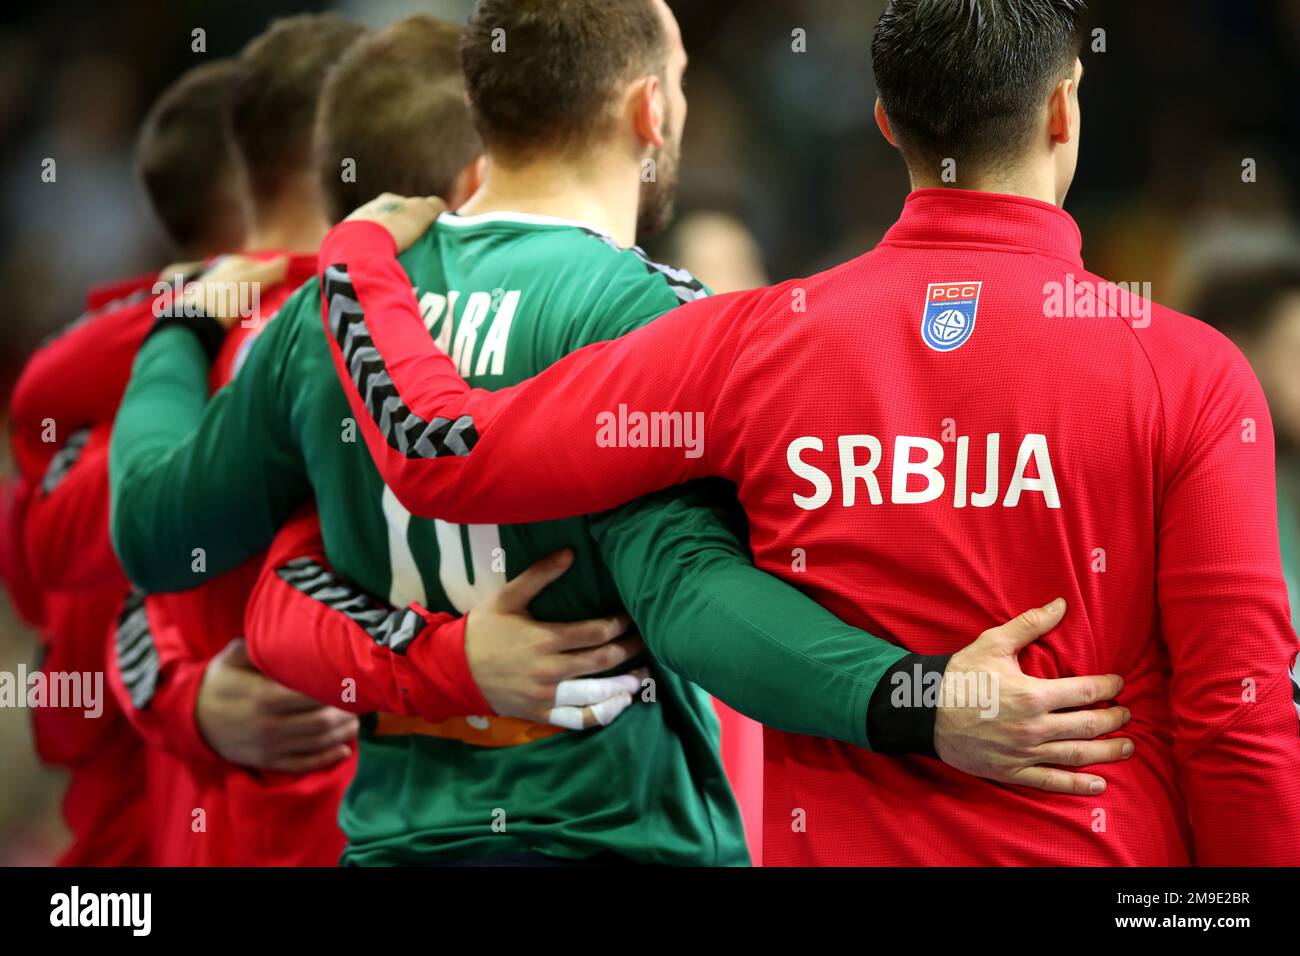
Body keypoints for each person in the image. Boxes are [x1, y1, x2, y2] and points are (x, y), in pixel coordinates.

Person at [111, 0, 1135, 866]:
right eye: (680, 80)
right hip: (611, 832)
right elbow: (687, 600)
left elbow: (154, 529)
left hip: (394, 839)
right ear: (652, 109)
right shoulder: (641, 314)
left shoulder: (321, 317)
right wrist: (916, 696)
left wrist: (175, 326)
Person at [309, 0, 1300, 865]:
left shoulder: (748, 344)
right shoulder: (1188, 372)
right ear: (1061, 109)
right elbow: (1240, 717)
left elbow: (446, 451)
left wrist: (358, 257)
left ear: (883, 123)